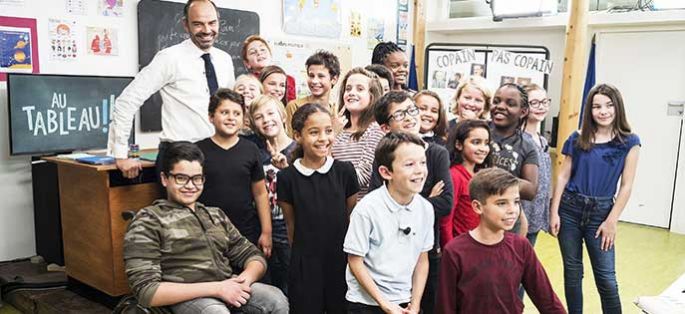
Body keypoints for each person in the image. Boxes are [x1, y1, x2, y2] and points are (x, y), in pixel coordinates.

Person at [123, 141, 288, 313]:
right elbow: (146, 291)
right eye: (181, 178)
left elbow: (253, 256)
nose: (190, 185)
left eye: (196, 178)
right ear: (165, 179)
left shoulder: (215, 215)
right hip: (184, 296)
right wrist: (217, 288)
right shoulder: (148, 220)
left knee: (275, 299)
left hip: (226, 285)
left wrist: (243, 281)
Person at [108, 0, 235, 179]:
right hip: (179, 155)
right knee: (181, 209)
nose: (207, 30)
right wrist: (120, 154)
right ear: (185, 25)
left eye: (212, 23)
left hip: (218, 153)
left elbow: (230, 109)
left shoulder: (225, 60)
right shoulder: (169, 58)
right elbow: (126, 102)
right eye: (198, 24)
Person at [550, 84, 640, 314]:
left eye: (609, 105)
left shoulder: (629, 141)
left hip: (601, 214)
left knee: (607, 279)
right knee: (572, 272)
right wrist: (554, 211)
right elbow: (563, 176)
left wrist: (612, 221)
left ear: (617, 107)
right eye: (597, 106)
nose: (603, 111)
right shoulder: (577, 138)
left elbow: (626, 185)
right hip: (569, 209)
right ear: (589, 110)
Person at [368, 91, 453, 314]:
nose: (410, 117)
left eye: (411, 109)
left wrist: (407, 200)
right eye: (400, 114)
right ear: (385, 128)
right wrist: (425, 199)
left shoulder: (437, 153)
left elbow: (445, 203)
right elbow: (379, 202)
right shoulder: (383, 155)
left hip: (425, 250)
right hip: (385, 252)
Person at [436, 168, 566, 314]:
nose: (512, 210)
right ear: (478, 207)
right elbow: (445, 307)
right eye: (502, 203)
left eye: (516, 202)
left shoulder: (521, 247)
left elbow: (547, 300)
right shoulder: (455, 251)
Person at [277, 103, 360, 313]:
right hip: (305, 264)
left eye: (328, 131)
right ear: (298, 135)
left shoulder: (345, 172)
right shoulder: (287, 178)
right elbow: (291, 225)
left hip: (340, 261)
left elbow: (351, 217)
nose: (323, 138)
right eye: (314, 132)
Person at [344, 132, 433, 314]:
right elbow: (355, 261)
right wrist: (384, 303)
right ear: (386, 172)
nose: (419, 170)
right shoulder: (367, 209)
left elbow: (422, 259)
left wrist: (415, 305)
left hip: (405, 300)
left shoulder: (425, 208)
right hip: (366, 302)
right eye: (409, 164)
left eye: (422, 163)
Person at [196, 89, 272, 257]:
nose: (231, 117)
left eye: (236, 113)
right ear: (211, 117)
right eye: (224, 112)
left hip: (245, 231)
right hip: (208, 232)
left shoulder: (251, 150)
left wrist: (266, 232)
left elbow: (260, 193)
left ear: (243, 118)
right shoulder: (198, 151)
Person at [249, 95, 296, 295]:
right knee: (272, 281)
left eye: (270, 113)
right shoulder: (255, 154)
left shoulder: (298, 149)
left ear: (283, 116)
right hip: (264, 226)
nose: (266, 120)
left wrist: (286, 170)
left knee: (292, 279)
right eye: (259, 117)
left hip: (290, 226)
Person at [489, 83, 538, 236]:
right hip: (473, 216)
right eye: (496, 101)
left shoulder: (527, 146)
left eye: (510, 104)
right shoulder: (478, 131)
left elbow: (530, 190)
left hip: (508, 223)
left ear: (523, 112)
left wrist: (494, 177)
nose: (500, 107)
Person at [330, 67, 385, 199]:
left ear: (372, 97)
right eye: (348, 89)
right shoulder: (336, 129)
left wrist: (329, 177)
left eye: (360, 89)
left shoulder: (375, 130)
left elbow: (361, 178)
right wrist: (332, 134)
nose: (351, 93)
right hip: (333, 205)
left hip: (359, 210)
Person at [439, 119, 491, 248]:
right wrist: (450, 250)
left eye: (486, 143)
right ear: (459, 144)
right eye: (476, 142)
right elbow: (446, 220)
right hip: (461, 248)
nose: (483, 149)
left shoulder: (480, 175)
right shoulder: (455, 176)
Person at [522, 84, 553, 246]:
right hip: (521, 216)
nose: (541, 107)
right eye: (534, 103)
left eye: (544, 102)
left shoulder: (541, 140)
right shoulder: (519, 140)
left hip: (536, 214)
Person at [284, 50, 340, 136]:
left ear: (334, 79)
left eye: (321, 76)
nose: (314, 81)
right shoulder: (295, 106)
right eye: (311, 76)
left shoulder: (336, 112)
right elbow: (292, 144)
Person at [241, 35, 296, 103]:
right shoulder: (247, 82)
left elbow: (291, 107)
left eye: (263, 49)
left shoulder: (289, 79)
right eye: (253, 52)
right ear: (247, 63)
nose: (259, 53)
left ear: (270, 55)